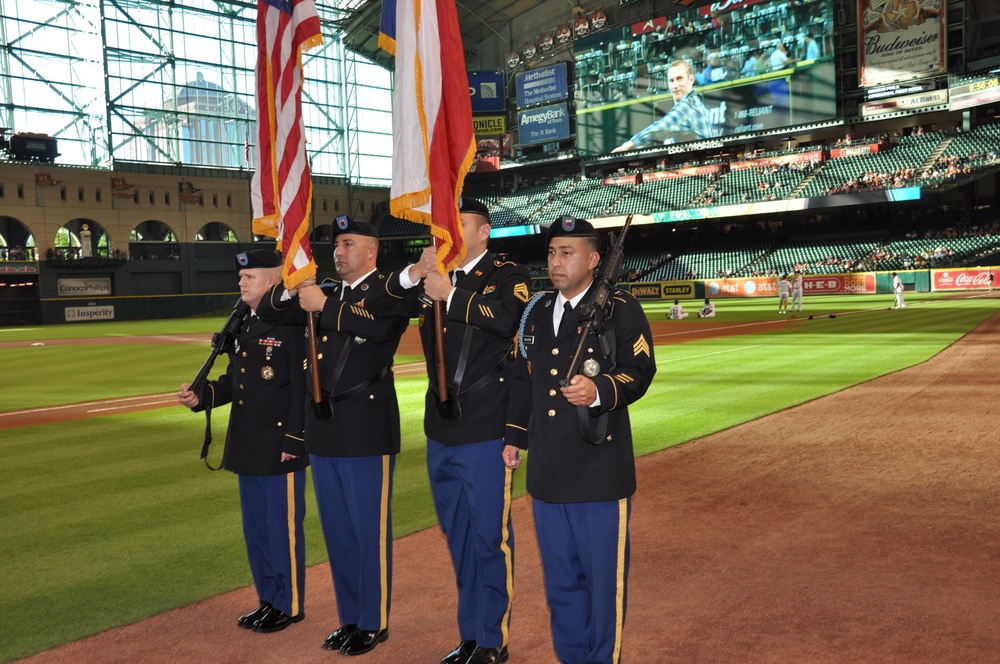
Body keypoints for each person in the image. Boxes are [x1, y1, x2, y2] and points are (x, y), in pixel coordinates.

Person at [502, 216, 656, 664]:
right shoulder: (535, 311)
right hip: (548, 471)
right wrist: (515, 436)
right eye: (552, 252)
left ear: (593, 259)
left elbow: (639, 370)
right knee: (562, 586)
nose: (555, 261)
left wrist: (600, 390)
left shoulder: (620, 307)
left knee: (603, 585)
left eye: (567, 252)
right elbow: (520, 378)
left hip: (597, 471)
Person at [383, 197, 530, 664]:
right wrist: (415, 272)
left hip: (486, 425)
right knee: (459, 536)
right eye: (442, 227)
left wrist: (453, 294)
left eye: (458, 224)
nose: (446, 233)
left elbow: (510, 320)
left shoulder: (507, 274)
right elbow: (382, 304)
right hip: (440, 427)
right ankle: (470, 634)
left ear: (483, 232)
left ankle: (492, 639)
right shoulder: (431, 280)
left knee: (490, 537)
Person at [256, 215, 409, 656]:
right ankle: (350, 619)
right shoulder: (322, 290)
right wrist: (293, 286)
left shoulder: (386, 291)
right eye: (336, 244)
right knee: (339, 533)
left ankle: (373, 622)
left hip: (365, 427)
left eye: (347, 243)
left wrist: (321, 303)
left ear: (371, 250)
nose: (339, 251)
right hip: (323, 429)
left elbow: (380, 328)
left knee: (368, 533)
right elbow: (267, 310)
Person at [176, 249, 308, 634]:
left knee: (281, 528)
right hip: (248, 440)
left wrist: (296, 438)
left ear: (271, 282)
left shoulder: (292, 323)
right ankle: (267, 599)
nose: (241, 281)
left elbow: (302, 386)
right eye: (241, 277)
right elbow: (238, 381)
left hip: (279, 441)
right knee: (256, 529)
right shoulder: (246, 323)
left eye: (249, 276)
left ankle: (289, 604)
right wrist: (203, 397)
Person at [611, 59, 715, 152]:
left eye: (679, 79)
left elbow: (662, 127)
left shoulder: (689, 105)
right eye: (671, 80)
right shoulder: (694, 102)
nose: (675, 85)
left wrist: (629, 145)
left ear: (691, 79)